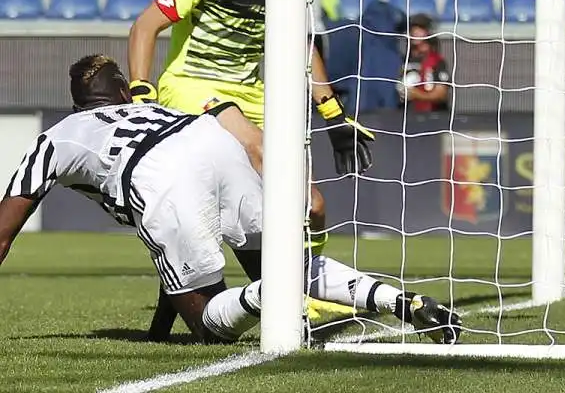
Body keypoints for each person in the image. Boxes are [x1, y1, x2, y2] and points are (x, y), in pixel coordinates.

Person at [0, 54, 462, 346]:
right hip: (209, 138)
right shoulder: (150, 108)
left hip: (158, 172)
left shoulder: (58, 136)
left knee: (208, 326)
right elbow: (178, 271)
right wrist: (157, 333)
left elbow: (3, 233)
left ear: (77, 103)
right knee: (289, 262)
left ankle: (269, 293)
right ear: (124, 93)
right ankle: (398, 300)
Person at [128, 0, 375, 328]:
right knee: (259, 151)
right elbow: (145, 26)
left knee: (312, 206)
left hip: (252, 96)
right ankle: (294, 299)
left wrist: (333, 115)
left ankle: (305, 288)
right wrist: (141, 91)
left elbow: (301, 42)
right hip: (192, 85)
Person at [396, 13, 450, 113]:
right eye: (413, 28)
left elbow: (441, 94)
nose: (415, 32)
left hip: (431, 118)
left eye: (420, 28)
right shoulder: (403, 61)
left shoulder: (436, 61)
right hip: (403, 117)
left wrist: (417, 94)